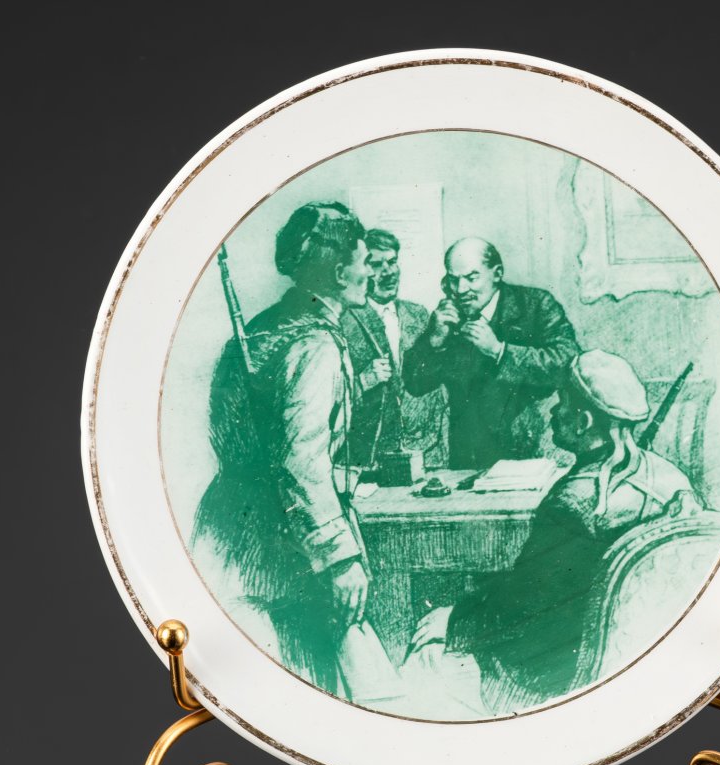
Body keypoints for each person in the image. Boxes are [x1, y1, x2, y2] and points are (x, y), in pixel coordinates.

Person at [407, 349, 698, 712]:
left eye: (562, 404)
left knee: (423, 663)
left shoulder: (572, 504)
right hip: (636, 657)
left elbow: (521, 606)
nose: (552, 412)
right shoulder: (675, 481)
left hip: (556, 676)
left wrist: (453, 621)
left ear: (583, 422)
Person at [192, 202, 371, 694]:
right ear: (339, 272)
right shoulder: (316, 345)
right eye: (364, 262)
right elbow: (301, 463)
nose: (370, 273)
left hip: (228, 534)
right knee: (305, 684)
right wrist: (340, 559)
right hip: (283, 547)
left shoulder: (257, 329)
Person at [402, 237, 579, 468]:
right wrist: (434, 341)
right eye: (453, 280)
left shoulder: (536, 305)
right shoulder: (447, 318)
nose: (461, 289)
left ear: (497, 274)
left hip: (533, 451)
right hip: (468, 457)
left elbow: (567, 361)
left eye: (471, 278)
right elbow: (415, 384)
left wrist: (499, 351)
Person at [340, 228, 447, 467]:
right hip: (373, 455)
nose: (388, 272)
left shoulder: (419, 315)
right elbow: (330, 398)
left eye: (392, 262)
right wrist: (364, 380)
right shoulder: (345, 321)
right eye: (377, 264)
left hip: (428, 450)